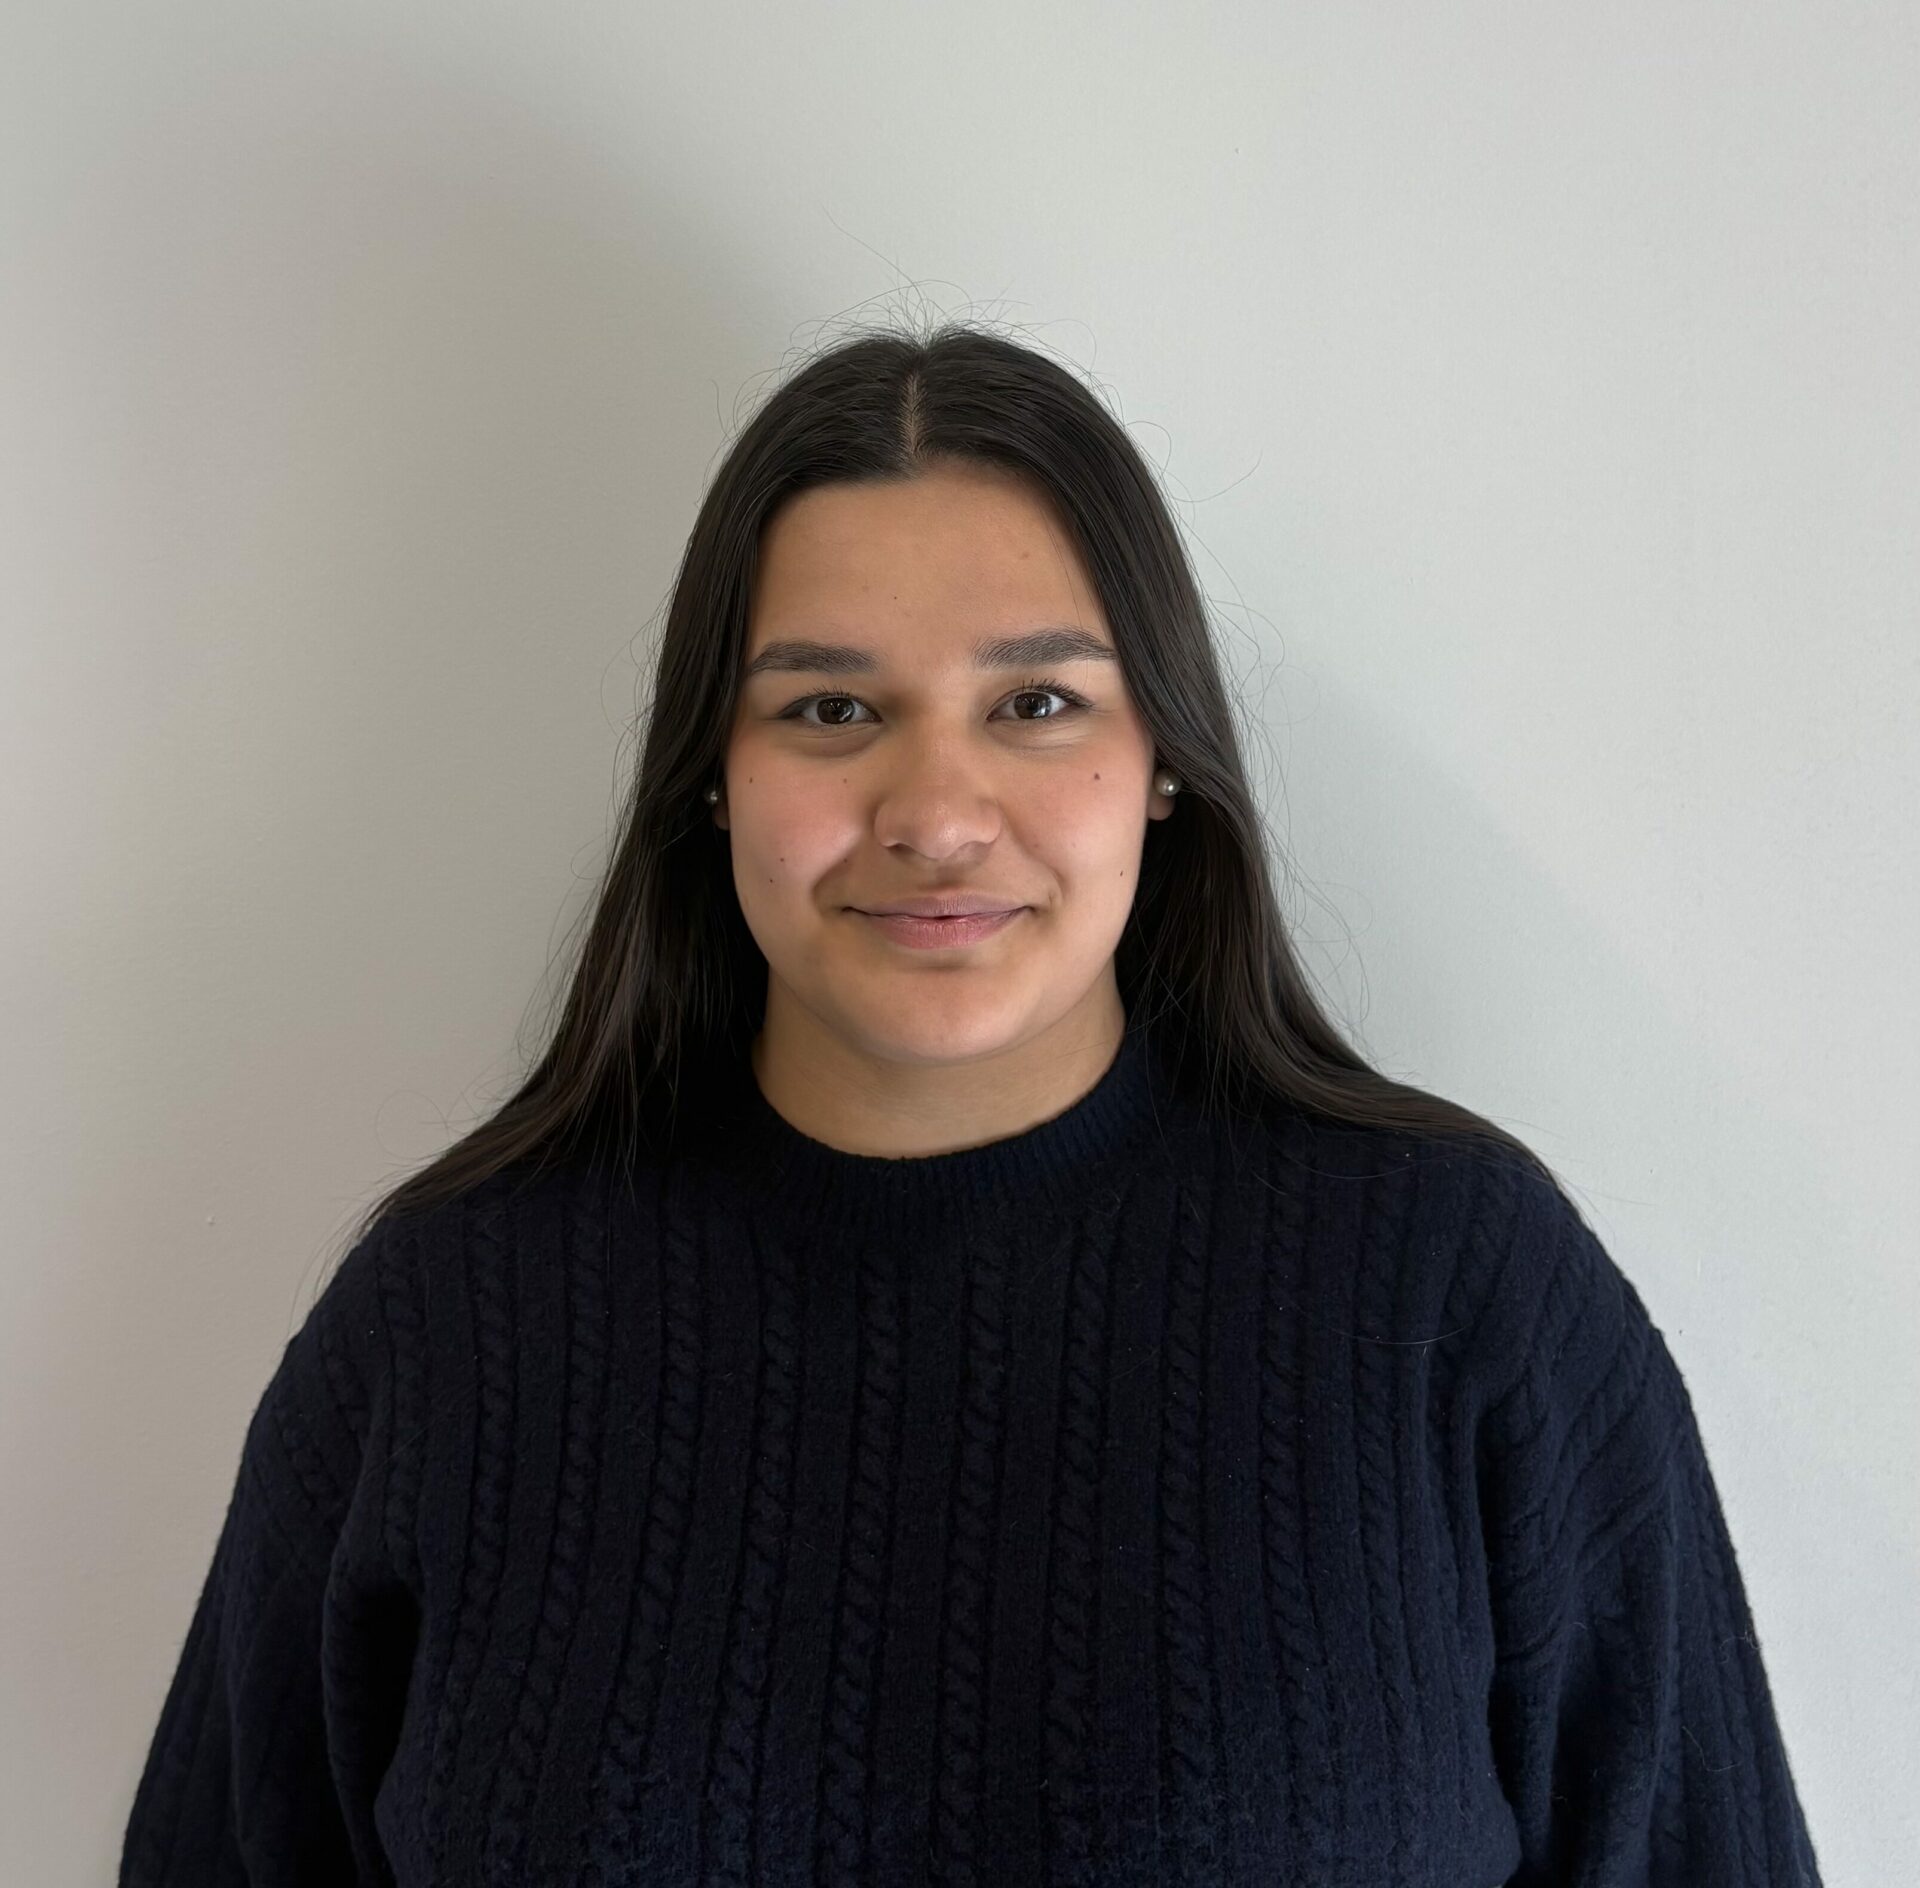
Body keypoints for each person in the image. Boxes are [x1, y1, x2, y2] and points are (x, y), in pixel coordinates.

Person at [120, 322, 1823, 1885]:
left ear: (1163, 764)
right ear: (714, 779)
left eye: (1036, 704)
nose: (936, 814)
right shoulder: (444, 1329)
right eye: (831, 708)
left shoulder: (1457, 1288)